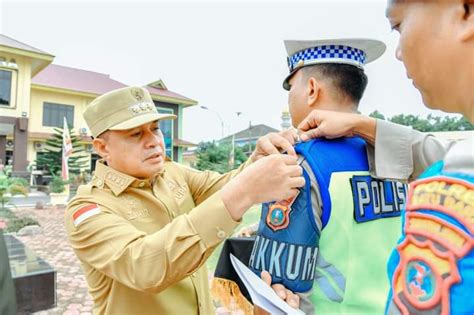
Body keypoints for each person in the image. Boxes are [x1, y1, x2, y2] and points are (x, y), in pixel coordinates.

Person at [296, 1, 474, 314]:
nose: (399, 52)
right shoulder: (448, 164)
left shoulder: (301, 163)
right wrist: (364, 125)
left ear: (466, 11)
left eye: (398, 25)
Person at [64, 86, 305, 314]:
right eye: (136, 133)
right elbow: (143, 267)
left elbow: (223, 187)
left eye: (155, 128)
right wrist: (244, 192)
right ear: (102, 147)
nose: (154, 141)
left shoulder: (173, 173)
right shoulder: (89, 208)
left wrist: (257, 161)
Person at [247, 38, 409, 315]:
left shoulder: (298, 164)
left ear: (311, 89)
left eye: (291, 88)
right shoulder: (397, 154)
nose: (290, 97)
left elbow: (281, 294)